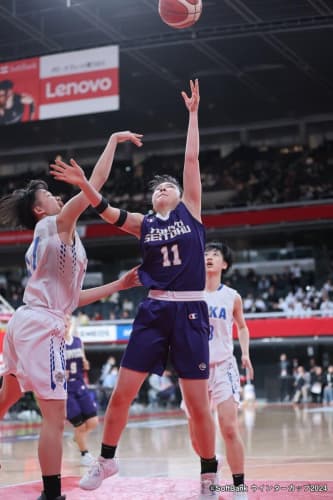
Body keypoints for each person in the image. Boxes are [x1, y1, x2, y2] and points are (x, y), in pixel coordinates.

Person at [50, 79, 219, 499]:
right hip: (155, 310)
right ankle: (107, 460)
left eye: (170, 185)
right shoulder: (144, 224)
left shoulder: (191, 213)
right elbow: (105, 211)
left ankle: (209, 475)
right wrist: (84, 186)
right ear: (152, 199)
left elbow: (192, 159)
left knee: (198, 407)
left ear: (180, 195)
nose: (164, 187)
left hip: (192, 312)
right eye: (157, 187)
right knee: (123, 393)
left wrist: (194, 115)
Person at [0, 129, 143, 500]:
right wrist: (112, 141)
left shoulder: (59, 237)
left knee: (6, 397)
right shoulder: (55, 224)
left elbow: (72, 298)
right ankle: (51, 495)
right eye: (49, 195)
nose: (57, 195)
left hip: (25, 321)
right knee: (54, 416)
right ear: (39, 209)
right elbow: (95, 186)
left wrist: (118, 285)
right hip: (42, 326)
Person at [182, 241, 253, 500]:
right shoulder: (188, 293)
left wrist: (244, 352)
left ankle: (238, 487)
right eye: (205, 254)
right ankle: (211, 468)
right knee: (196, 436)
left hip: (224, 366)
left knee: (229, 428)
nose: (209, 257)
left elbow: (242, 327)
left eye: (215, 255)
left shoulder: (232, 296)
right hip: (193, 370)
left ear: (224, 264)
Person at [64, 315, 98, 467]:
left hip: (80, 384)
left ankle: (77, 438)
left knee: (93, 422)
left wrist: (86, 364)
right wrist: (59, 375)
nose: (66, 323)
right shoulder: (54, 343)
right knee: (80, 426)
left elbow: (85, 364)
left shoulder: (78, 341)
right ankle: (85, 454)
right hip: (65, 389)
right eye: (63, 320)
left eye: (67, 320)